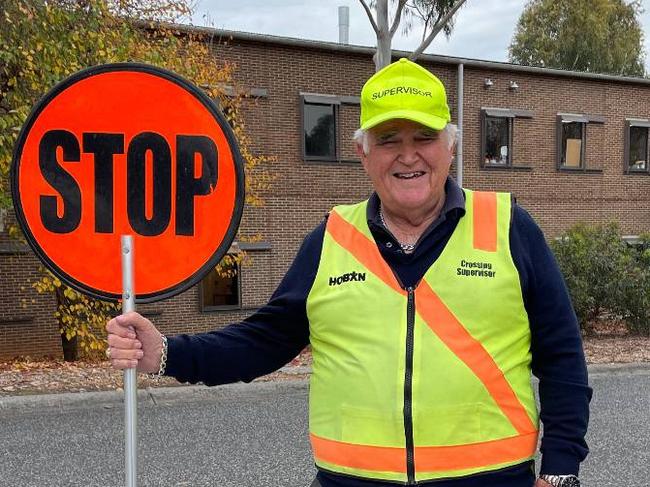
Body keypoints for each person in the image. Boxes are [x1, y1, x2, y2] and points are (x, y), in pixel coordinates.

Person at [107, 58, 591, 487]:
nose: (408, 155)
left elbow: (562, 355)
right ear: (363, 154)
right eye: (388, 140)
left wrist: (561, 471)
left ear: (450, 147)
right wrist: (167, 353)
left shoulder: (508, 227)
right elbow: (263, 341)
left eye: (423, 137)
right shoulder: (332, 238)